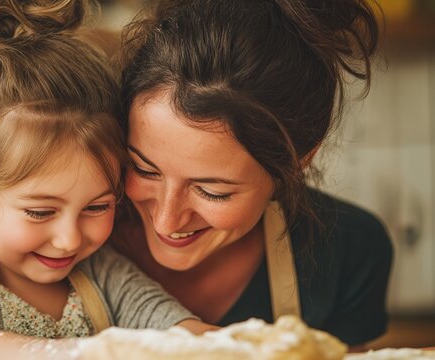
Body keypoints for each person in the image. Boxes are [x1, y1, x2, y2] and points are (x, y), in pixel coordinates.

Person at [0, 0, 212, 358]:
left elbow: (186, 339)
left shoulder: (102, 273)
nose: (69, 240)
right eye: (40, 212)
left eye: (98, 206)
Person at [111, 0, 394, 351]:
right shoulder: (54, 235)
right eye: (142, 168)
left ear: (298, 160)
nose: (167, 221)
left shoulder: (350, 251)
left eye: (212, 191)